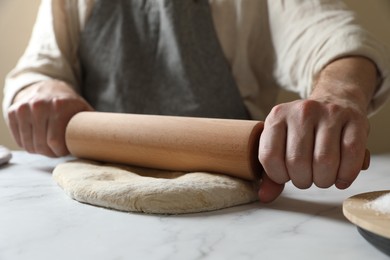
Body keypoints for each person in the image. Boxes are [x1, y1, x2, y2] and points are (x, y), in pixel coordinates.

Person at [2, 0, 390, 203]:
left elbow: (338, 39)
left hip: (236, 210)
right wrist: (38, 90)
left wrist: (338, 94)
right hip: (85, 203)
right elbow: (35, 71)